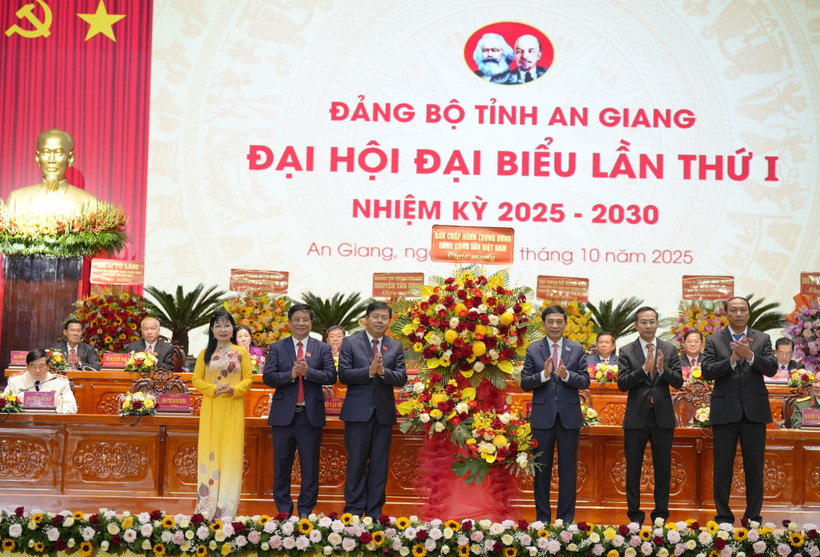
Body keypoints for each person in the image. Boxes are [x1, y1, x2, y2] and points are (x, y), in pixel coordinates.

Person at [702, 296, 777, 524]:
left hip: (755, 412)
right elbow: (707, 371)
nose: (738, 314)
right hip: (725, 412)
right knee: (722, 468)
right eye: (733, 310)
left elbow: (772, 368)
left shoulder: (762, 338)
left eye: (742, 310)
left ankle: (753, 517)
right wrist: (732, 361)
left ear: (748, 313)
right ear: (726, 313)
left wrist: (750, 356)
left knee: (754, 467)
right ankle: (723, 517)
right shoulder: (714, 340)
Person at [262, 303, 336, 517]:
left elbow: (331, 376)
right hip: (283, 416)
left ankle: (305, 512)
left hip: (310, 417)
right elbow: (268, 377)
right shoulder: (277, 347)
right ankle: (284, 512)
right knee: (281, 467)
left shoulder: (322, 348)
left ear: (311, 323)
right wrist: (291, 375)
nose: (301, 323)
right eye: (297, 319)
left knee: (310, 468)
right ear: (289, 322)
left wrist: (309, 372)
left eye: (305, 319)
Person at [521, 305, 590, 524]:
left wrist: (567, 375)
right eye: (550, 321)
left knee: (568, 471)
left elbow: (585, 381)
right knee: (541, 471)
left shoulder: (576, 348)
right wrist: (544, 374)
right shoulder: (533, 349)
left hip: (569, 418)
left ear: (565, 324)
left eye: (559, 321)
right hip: (542, 418)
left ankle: (565, 521)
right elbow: (524, 383)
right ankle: (542, 519)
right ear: (543, 324)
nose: (555, 325)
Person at [339, 301, 407, 518]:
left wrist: (383, 372)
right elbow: (344, 374)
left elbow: (402, 377)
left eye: (384, 318)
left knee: (379, 466)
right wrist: (368, 372)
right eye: (375, 316)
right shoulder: (350, 342)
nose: (380, 321)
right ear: (366, 319)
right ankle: (353, 512)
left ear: (389, 321)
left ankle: (375, 513)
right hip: (357, 413)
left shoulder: (395, 346)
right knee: (356, 464)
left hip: (383, 414)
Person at [617, 307, 683, 525]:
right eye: (643, 322)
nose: (648, 326)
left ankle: (660, 516)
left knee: (663, 469)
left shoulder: (670, 349)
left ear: (657, 324)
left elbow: (678, 382)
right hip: (636, 417)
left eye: (652, 321)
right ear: (636, 325)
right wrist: (643, 369)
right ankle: (634, 517)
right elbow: (622, 384)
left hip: (662, 418)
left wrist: (662, 370)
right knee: (633, 470)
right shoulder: (626, 350)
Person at [192, 310, 253, 520]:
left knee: (230, 454)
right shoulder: (204, 354)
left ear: (233, 328)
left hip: (233, 407)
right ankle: (206, 508)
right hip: (212, 407)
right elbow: (196, 380)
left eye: (226, 325)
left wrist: (235, 389)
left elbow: (249, 378)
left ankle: (226, 511)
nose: (223, 329)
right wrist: (212, 389)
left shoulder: (241, 352)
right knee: (210, 452)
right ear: (212, 330)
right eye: (218, 325)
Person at [4, 129, 98, 216]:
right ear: (37, 158)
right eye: (46, 152)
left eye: (58, 152)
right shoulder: (16, 200)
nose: (52, 160)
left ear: (70, 158)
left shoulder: (88, 202)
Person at [3, 348, 77, 414]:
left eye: (41, 366)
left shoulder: (60, 383)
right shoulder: (15, 381)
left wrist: (54, 412)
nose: (37, 370)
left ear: (48, 366)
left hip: (51, 422)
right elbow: (5, 404)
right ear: (27, 367)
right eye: (33, 366)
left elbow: (72, 408)